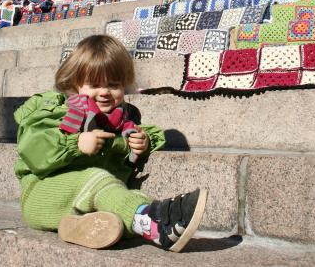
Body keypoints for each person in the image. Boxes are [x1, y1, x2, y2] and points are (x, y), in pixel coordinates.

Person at [14, 35, 207, 252]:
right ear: (75, 84)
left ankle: (81, 228)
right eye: (94, 84)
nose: (105, 92)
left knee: (127, 200)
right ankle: (158, 224)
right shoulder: (61, 111)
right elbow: (33, 147)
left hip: (85, 203)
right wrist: (74, 143)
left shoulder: (124, 121)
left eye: (113, 85)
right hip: (42, 196)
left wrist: (143, 141)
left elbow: (137, 141)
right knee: (98, 178)